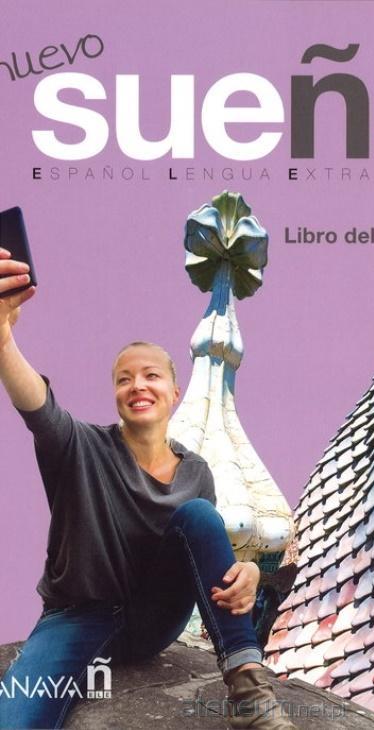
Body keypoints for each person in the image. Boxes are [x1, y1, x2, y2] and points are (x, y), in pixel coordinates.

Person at [0, 247, 295, 729]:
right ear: (116, 395)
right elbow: (38, 407)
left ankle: (250, 693)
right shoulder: (81, 446)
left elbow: (205, 556)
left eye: (151, 375)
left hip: (153, 619)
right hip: (75, 618)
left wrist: (245, 573)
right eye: (124, 379)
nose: (138, 385)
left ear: (174, 393)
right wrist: (3, 338)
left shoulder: (196, 471)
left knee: (200, 516)